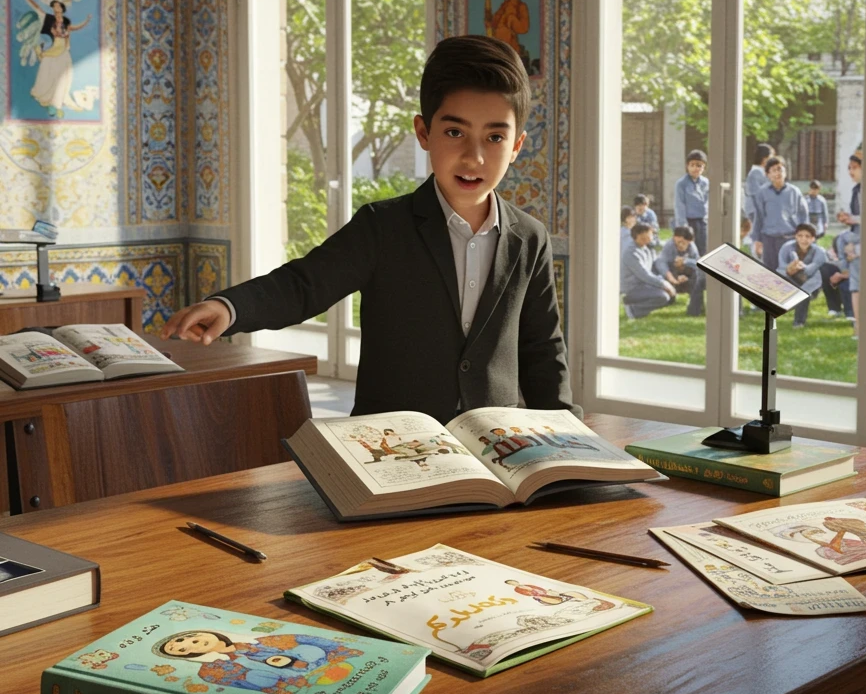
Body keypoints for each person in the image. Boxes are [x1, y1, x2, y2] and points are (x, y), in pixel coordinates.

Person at [161, 35, 580, 423]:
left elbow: (542, 350)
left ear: (517, 146)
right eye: (455, 132)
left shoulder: (529, 238)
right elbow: (304, 285)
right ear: (424, 133)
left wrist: (569, 440)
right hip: (391, 444)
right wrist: (229, 309)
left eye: (494, 138)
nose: (474, 157)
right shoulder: (383, 227)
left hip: (493, 445)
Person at [18, 0, 93, 119]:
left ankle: (56, 103)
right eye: (54, 5)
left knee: (64, 76)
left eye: (58, 5)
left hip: (63, 52)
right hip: (52, 51)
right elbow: (35, 6)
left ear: (62, 8)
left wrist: (86, 22)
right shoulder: (48, 18)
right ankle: (49, 101)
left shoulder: (67, 22)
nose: (55, 7)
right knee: (48, 75)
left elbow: (73, 29)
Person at [751, 155, 808, 275]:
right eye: (774, 170)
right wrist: (757, 240)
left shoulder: (794, 192)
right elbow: (759, 218)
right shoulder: (762, 193)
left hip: (789, 238)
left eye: (780, 169)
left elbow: (803, 216)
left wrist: (804, 237)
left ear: (785, 172)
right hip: (769, 238)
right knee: (770, 272)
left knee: (789, 272)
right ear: (768, 174)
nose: (778, 173)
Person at [621, 222, 676, 319]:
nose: (651, 237)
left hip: (644, 285)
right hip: (632, 289)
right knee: (663, 296)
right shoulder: (631, 253)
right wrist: (663, 284)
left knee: (670, 295)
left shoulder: (645, 247)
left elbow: (656, 264)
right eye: (649, 234)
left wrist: (667, 279)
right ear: (639, 236)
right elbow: (644, 275)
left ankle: (637, 309)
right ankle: (633, 310)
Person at [777, 223, 827, 328]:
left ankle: (799, 322)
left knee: (804, 292)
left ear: (813, 238)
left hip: (811, 280)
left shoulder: (820, 252)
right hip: (789, 277)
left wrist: (802, 266)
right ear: (795, 236)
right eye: (800, 236)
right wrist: (790, 269)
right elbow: (781, 267)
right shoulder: (787, 247)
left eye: (807, 236)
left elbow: (813, 271)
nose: (803, 239)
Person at [836, 149, 862, 340]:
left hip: (864, 243)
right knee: (855, 286)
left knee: (859, 287)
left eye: (854, 168)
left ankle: (861, 328)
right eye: (848, 168)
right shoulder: (856, 190)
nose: (850, 172)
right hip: (856, 240)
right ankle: (858, 327)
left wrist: (852, 219)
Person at [652, 225, 704, 317]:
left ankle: (696, 305)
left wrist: (686, 261)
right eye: (679, 242)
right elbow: (661, 262)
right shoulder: (669, 245)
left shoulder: (691, 246)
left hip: (686, 275)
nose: (681, 245)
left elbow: (698, 262)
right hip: (671, 275)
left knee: (698, 275)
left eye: (685, 243)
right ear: (675, 237)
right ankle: (668, 297)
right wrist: (672, 279)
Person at [673, 150, 709, 256]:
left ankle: (702, 272)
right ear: (687, 166)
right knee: (689, 251)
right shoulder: (681, 184)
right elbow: (679, 205)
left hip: (702, 222)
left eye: (699, 165)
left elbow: (708, 202)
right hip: (688, 222)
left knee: (703, 250)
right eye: (692, 165)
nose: (695, 168)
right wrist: (683, 227)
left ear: (704, 167)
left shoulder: (706, 183)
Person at [820, 229, 854, 320]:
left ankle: (850, 312)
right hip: (844, 269)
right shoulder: (841, 238)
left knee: (846, 282)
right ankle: (834, 308)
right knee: (825, 270)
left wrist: (842, 276)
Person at [742, 143, 773, 230]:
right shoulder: (756, 172)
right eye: (771, 156)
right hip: (756, 210)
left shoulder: (762, 172)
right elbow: (756, 193)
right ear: (764, 158)